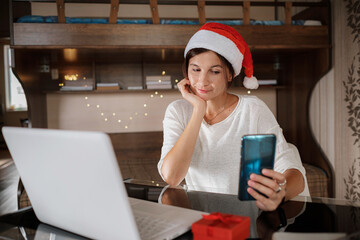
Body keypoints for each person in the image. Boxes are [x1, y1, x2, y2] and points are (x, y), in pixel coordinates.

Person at [157, 22, 307, 211]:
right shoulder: (177, 111)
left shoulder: (253, 110)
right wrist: (198, 110)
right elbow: (172, 177)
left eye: (215, 71)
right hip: (200, 222)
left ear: (230, 74)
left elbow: (295, 175)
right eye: (195, 69)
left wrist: (280, 192)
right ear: (186, 71)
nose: (202, 81)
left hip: (245, 222)